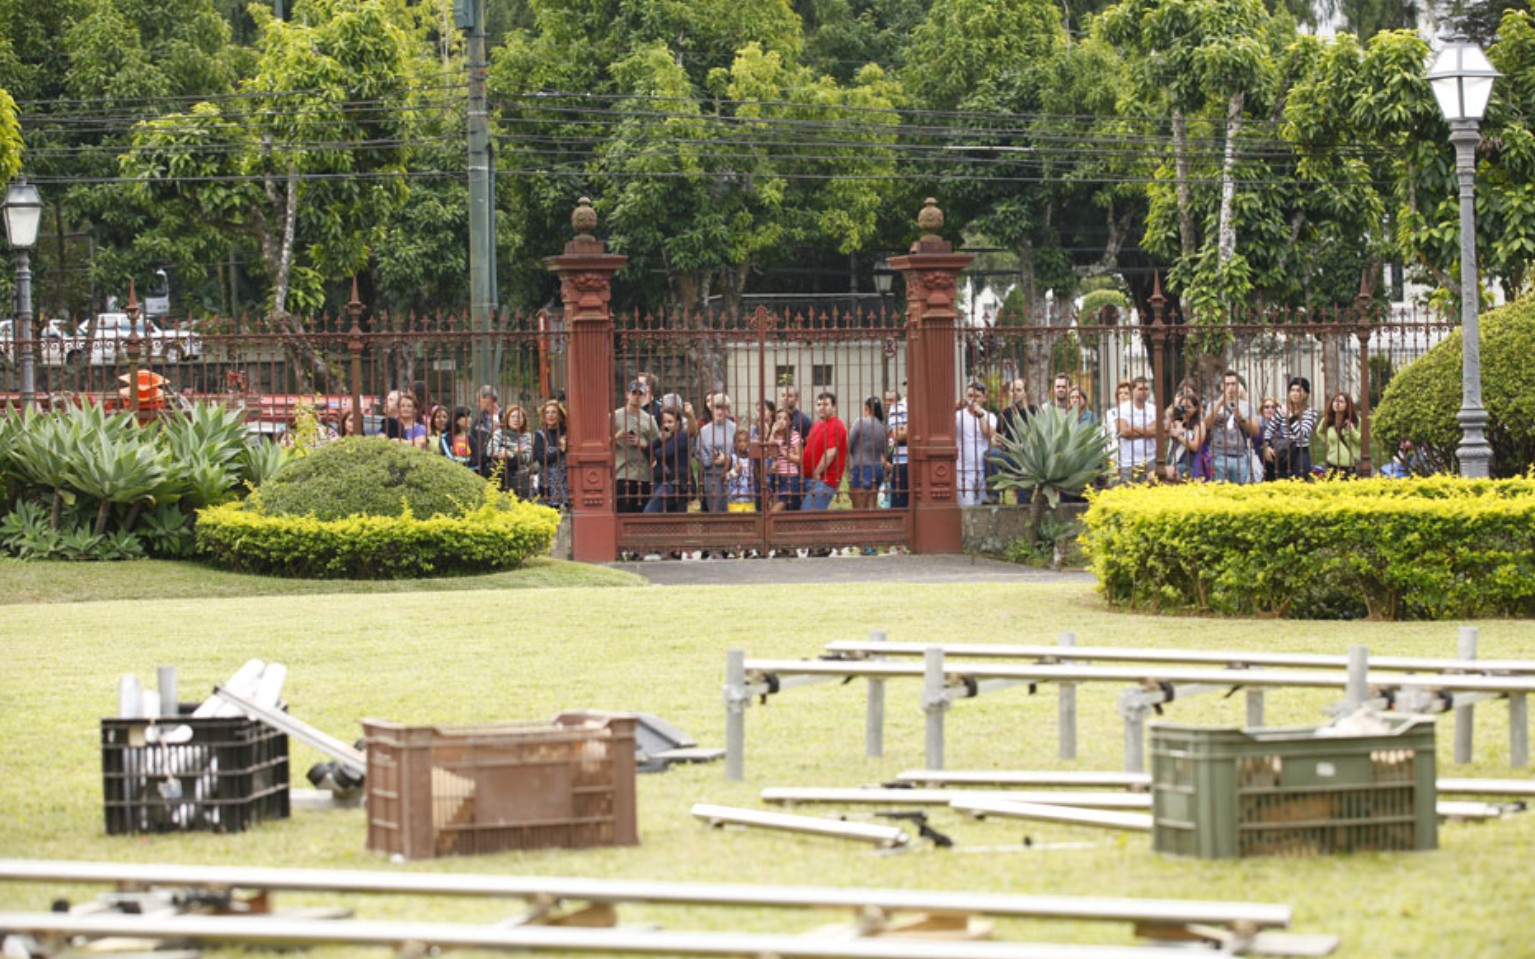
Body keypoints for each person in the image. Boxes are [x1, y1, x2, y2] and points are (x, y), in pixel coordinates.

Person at [1205, 370, 1260, 484]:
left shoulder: (1248, 406)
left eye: (1233, 384)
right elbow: (1206, 425)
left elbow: (1255, 431)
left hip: (1240, 456)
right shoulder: (1213, 405)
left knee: (1238, 493)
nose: (1231, 387)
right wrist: (1220, 403)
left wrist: (1241, 417)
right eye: (1227, 384)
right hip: (1218, 455)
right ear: (1222, 387)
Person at [613, 379, 659, 513]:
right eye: (634, 393)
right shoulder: (615, 416)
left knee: (640, 516)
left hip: (643, 475)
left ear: (644, 396)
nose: (636, 396)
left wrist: (643, 443)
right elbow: (602, 444)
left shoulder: (649, 419)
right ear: (627, 394)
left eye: (640, 394)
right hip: (622, 473)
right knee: (622, 514)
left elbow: (657, 446)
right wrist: (616, 437)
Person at [1264, 376, 1318, 481]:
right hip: (1284, 452)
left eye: (1298, 390)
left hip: (1300, 453)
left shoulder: (1310, 412)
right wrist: (1266, 446)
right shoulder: (1282, 410)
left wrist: (1289, 416)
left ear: (1305, 394)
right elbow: (1269, 431)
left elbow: (1301, 433)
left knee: (1299, 484)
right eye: (1292, 390)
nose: (1294, 393)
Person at [802, 392, 849, 510]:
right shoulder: (817, 425)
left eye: (825, 404)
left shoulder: (836, 424)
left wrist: (816, 472)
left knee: (808, 514)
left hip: (824, 480)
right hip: (810, 478)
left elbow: (831, 452)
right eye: (818, 404)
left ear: (834, 407)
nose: (821, 407)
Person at [955, 381, 996, 507]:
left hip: (982, 470)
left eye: (976, 396)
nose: (972, 399)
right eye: (970, 396)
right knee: (967, 507)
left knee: (980, 509)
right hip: (962, 471)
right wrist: (955, 407)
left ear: (984, 398)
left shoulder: (989, 416)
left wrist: (980, 415)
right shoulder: (958, 416)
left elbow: (989, 434)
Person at [695, 393, 737, 514]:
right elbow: (699, 454)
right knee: (715, 511)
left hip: (731, 476)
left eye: (723, 408)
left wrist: (728, 459)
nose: (720, 411)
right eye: (717, 408)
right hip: (711, 476)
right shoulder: (704, 431)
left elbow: (740, 451)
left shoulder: (734, 428)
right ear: (711, 409)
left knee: (731, 512)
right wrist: (710, 460)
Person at [644, 407, 691, 513]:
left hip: (675, 483)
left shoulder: (681, 437)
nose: (667, 425)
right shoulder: (664, 438)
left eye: (670, 422)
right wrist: (659, 440)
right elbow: (647, 450)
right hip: (661, 481)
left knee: (650, 511)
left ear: (678, 423)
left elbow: (663, 453)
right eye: (664, 422)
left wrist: (658, 448)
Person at [1114, 377, 1156, 483]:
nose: (1144, 392)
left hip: (1150, 460)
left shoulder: (1153, 409)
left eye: (1147, 389)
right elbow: (1123, 432)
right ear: (1133, 390)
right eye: (1140, 389)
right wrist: (1146, 431)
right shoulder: (1123, 408)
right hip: (1127, 462)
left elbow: (1155, 432)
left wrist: (1134, 428)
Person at [847, 396, 887, 510]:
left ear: (866, 408)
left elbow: (848, 444)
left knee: (859, 509)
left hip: (862, 468)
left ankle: (860, 528)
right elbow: (884, 450)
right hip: (878, 468)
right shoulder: (882, 426)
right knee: (871, 507)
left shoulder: (861, 422)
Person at [488, 404, 536, 499]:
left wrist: (510, 454)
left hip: (522, 478)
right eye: (513, 417)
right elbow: (490, 451)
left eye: (519, 417)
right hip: (501, 476)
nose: (516, 420)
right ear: (507, 418)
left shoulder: (527, 436)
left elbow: (528, 457)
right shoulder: (499, 433)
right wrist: (513, 452)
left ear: (524, 420)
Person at [764, 407, 802, 513]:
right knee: (780, 509)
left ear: (790, 422)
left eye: (785, 419)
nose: (781, 421)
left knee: (778, 507)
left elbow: (799, 459)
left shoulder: (794, 436)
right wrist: (772, 432)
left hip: (790, 477)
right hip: (776, 477)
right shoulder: (773, 435)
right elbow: (767, 452)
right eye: (778, 418)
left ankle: (766, 524)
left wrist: (784, 453)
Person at [533, 399, 568, 507]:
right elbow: (542, 459)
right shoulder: (540, 434)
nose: (550, 415)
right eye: (547, 412)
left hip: (567, 481)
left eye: (553, 412)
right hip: (547, 482)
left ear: (560, 415)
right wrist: (560, 450)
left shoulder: (567, 432)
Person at [1164, 392, 1206, 480]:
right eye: (1183, 407)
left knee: (1159, 475)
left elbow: (1195, 446)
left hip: (1187, 465)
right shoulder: (1176, 422)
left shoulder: (1198, 425)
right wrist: (1170, 416)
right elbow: (1164, 435)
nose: (1185, 410)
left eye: (1189, 407)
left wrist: (1179, 436)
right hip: (1172, 463)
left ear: (1196, 408)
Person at [1320, 392, 1362, 479]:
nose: (1337, 404)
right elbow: (1319, 432)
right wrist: (1329, 443)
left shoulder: (1356, 420)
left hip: (1350, 466)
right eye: (1335, 401)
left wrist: (1352, 431)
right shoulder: (1327, 420)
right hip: (1331, 465)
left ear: (1348, 405)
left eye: (1341, 401)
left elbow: (1362, 441)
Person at [886, 387, 909, 509]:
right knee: (899, 507)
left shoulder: (927, 408)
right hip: (902, 464)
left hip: (923, 463)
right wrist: (918, 422)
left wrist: (905, 428)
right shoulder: (897, 408)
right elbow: (898, 435)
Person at [725, 428, 758, 512]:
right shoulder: (732, 458)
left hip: (749, 499)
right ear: (735, 444)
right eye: (739, 441)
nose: (742, 444)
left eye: (745, 441)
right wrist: (734, 472)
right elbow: (723, 478)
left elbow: (757, 476)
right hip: (734, 500)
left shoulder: (752, 459)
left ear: (749, 443)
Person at [471, 386, 499, 475]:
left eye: (479, 400)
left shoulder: (507, 416)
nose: (477, 404)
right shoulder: (478, 421)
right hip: (484, 467)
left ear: (488, 399)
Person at [1256, 396, 1281, 482]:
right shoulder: (1256, 422)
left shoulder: (1282, 424)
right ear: (1262, 409)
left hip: (1278, 458)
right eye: (1266, 407)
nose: (1269, 409)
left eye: (1273, 407)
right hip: (1259, 458)